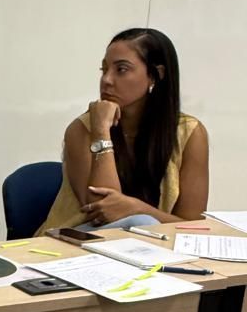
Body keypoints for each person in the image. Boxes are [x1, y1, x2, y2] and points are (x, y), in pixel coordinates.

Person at [38, 27, 209, 233]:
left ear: (156, 75)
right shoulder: (82, 129)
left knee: (142, 221)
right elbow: (102, 212)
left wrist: (137, 208)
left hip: (156, 246)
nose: (106, 80)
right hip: (77, 240)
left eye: (121, 70)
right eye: (104, 70)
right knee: (141, 222)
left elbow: (193, 226)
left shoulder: (190, 134)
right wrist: (101, 131)